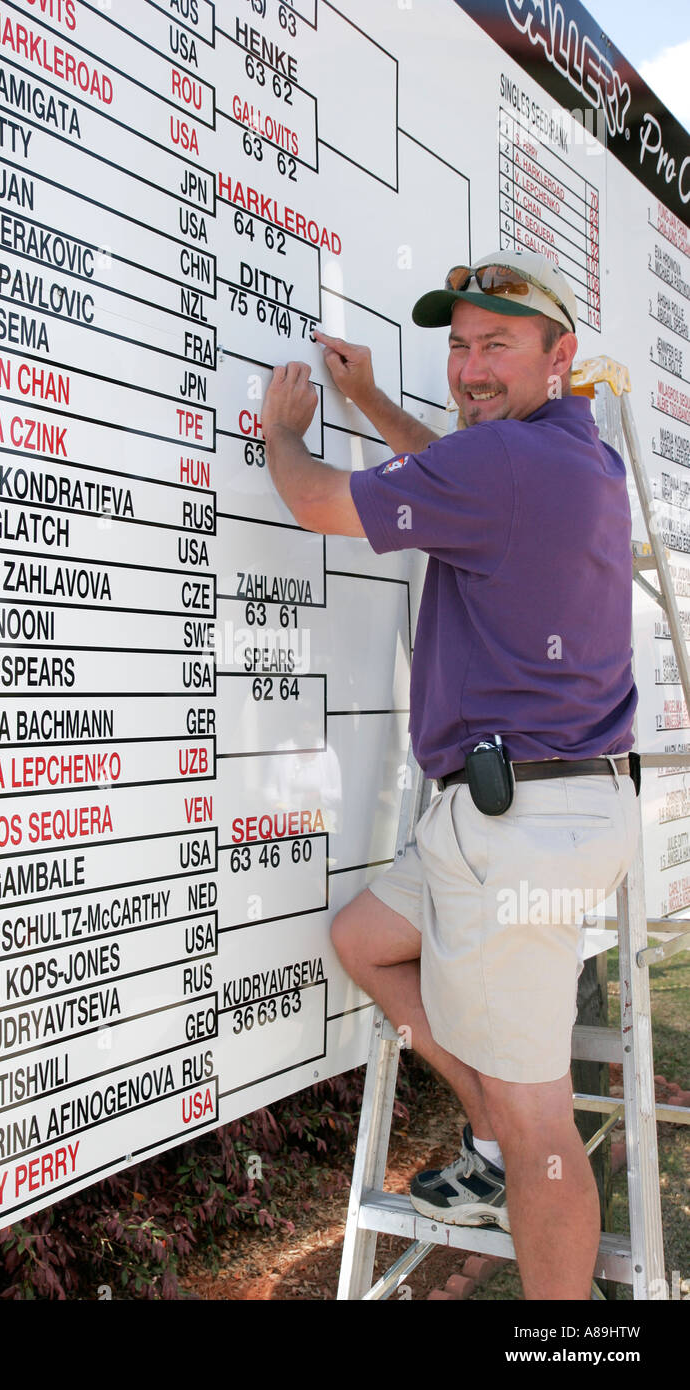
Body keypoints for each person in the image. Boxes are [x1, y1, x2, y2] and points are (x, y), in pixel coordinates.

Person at [261, 249, 640, 1301]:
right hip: (536, 811)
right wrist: (375, 396)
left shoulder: (506, 466)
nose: (471, 367)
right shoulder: (564, 455)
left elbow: (321, 504)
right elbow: (455, 486)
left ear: (559, 356)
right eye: (460, 345)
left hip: (517, 825)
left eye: (498, 346)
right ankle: (487, 1139)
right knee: (366, 941)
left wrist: (285, 431)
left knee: (543, 1130)